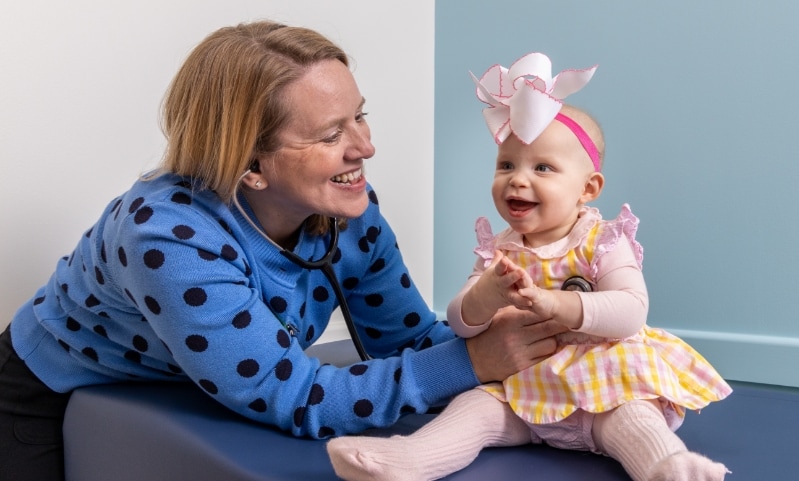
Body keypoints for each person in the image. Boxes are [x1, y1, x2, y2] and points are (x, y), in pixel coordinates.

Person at [0, 24, 568, 481]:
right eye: (331, 134)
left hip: (193, 380)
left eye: (360, 116)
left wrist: (534, 340)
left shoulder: (349, 213)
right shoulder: (166, 237)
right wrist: (474, 361)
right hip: (53, 390)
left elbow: (407, 341)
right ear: (251, 165)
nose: (366, 147)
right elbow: (298, 396)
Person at [326, 53, 733, 481]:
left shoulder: (602, 240)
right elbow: (461, 323)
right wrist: (485, 297)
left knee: (635, 421)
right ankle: (408, 459)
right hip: (524, 391)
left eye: (543, 167)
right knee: (473, 409)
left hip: (605, 387)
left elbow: (631, 311)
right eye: (506, 165)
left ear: (588, 188)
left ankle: (669, 468)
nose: (518, 179)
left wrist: (559, 305)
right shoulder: (499, 250)